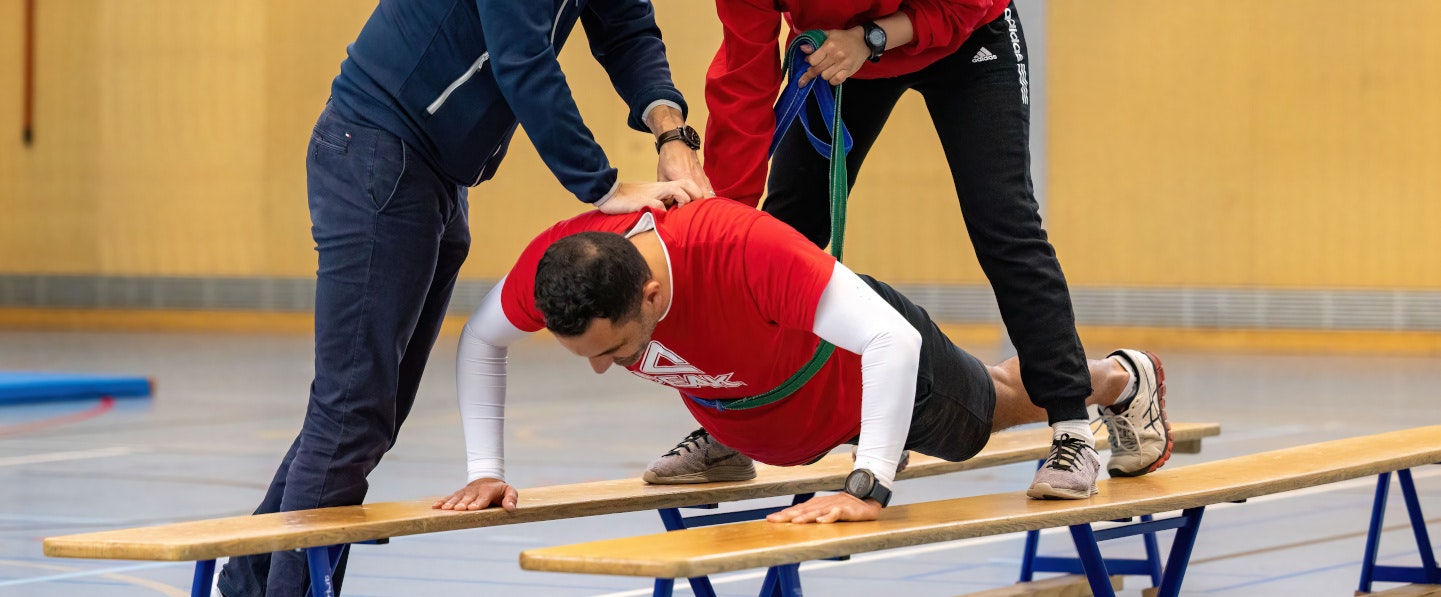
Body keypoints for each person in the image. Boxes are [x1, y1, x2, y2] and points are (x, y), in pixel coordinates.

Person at [216, 0, 720, 597]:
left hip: (434, 172)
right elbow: (520, 49)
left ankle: (251, 577)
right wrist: (602, 185)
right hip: (377, 151)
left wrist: (671, 132)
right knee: (354, 408)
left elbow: (624, 21)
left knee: (369, 413)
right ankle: (272, 588)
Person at [646, 0, 1109, 499]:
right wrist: (724, 219)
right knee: (778, 231)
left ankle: (1072, 428)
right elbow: (740, 77)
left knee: (1003, 221)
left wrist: (876, 36)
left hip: (960, 38)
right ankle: (730, 430)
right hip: (840, 54)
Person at [435, 197, 1171, 522]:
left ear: (651, 292)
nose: (605, 367)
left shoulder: (739, 249)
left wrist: (867, 482)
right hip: (758, 405)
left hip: (865, 382)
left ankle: (1118, 377)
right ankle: (727, 442)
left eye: (617, 349)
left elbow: (893, 342)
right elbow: (479, 339)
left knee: (998, 401)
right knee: (721, 390)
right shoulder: (562, 268)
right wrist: (484, 469)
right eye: (586, 355)